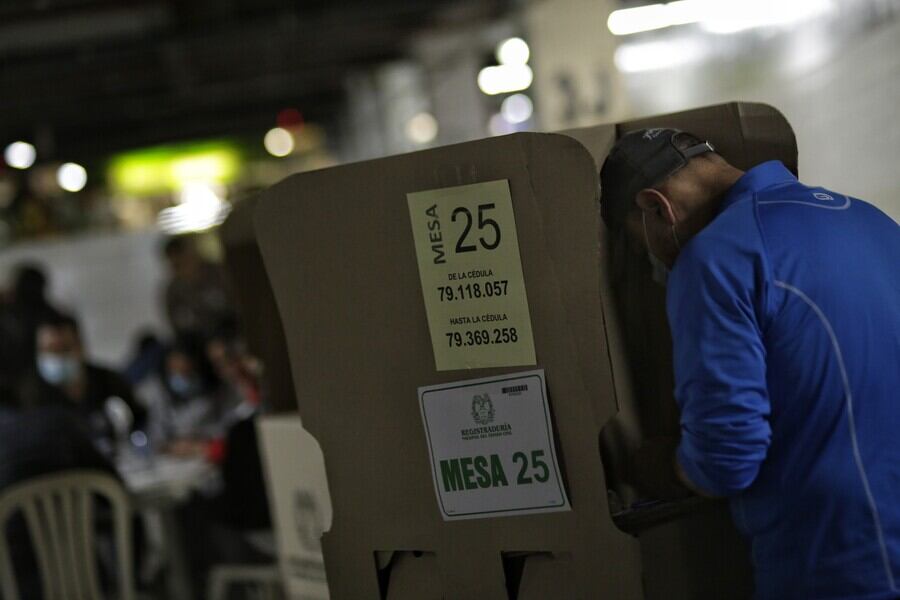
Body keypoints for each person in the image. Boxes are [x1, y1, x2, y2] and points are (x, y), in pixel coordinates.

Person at [599, 128, 900, 599]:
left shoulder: (716, 257)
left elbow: (726, 458)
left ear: (656, 207)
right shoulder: (871, 219)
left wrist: (662, 467)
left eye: (644, 247)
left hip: (839, 561)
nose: (656, 266)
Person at [18, 313, 146, 454]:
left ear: (80, 347)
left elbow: (141, 421)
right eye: (49, 350)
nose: (57, 357)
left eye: (64, 348)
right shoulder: (31, 396)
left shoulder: (109, 381)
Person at [162, 236, 235, 352]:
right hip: (198, 345)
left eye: (183, 261)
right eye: (176, 265)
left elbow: (232, 304)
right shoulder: (173, 291)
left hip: (228, 334)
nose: (182, 268)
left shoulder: (215, 273)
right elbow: (178, 326)